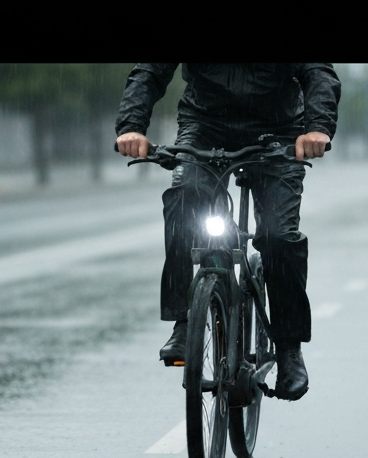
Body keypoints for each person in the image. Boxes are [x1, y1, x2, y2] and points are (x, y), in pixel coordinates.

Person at [115, 64, 340, 401]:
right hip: (205, 125)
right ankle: (183, 322)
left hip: (278, 130)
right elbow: (149, 71)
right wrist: (131, 127)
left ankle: (289, 349)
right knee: (183, 202)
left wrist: (318, 129)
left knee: (278, 236)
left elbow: (318, 73)